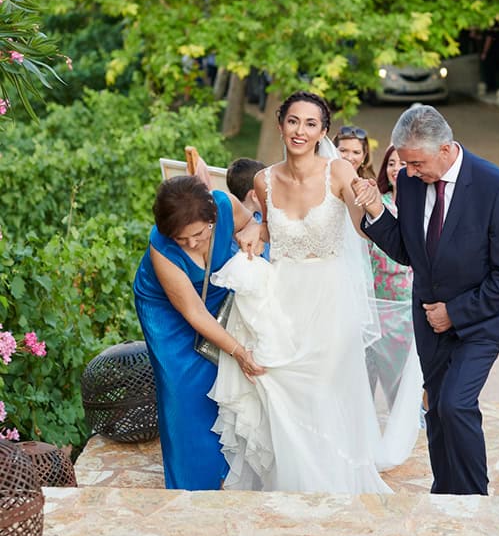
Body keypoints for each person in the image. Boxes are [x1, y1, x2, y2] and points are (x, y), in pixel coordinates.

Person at [209, 90, 421, 493]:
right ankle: (295, 487)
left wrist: (373, 202)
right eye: (293, 121)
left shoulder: (339, 172)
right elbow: (272, 229)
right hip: (283, 300)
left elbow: (361, 227)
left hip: (330, 299)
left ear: (323, 130)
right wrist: (256, 226)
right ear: (280, 125)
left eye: (310, 123)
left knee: (323, 390)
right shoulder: (264, 179)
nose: (300, 130)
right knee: (283, 392)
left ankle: (330, 484)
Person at [357, 104, 499, 495]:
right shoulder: (414, 183)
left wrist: (454, 313)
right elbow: (408, 249)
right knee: (436, 409)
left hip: (482, 321)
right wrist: (375, 211)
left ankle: (473, 499)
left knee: (455, 404)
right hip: (429, 322)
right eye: (405, 163)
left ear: (446, 148)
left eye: (416, 163)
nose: (410, 172)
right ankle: (445, 492)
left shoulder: (497, 187)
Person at [133, 175, 265, 490]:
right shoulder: (161, 249)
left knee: (220, 381)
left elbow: (252, 224)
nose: (192, 244)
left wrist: (251, 234)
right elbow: (193, 313)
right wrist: (240, 352)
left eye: (198, 234)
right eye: (181, 239)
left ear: (212, 218)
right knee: (181, 391)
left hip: (215, 294)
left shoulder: (224, 204)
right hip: (167, 309)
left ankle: (227, 473)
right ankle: (191, 485)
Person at [366, 145, 415, 411]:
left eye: (403, 163)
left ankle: (408, 424)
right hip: (377, 302)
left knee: (405, 379)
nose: (397, 169)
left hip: (409, 304)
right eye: (392, 164)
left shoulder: (423, 206)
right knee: (368, 372)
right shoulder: (377, 204)